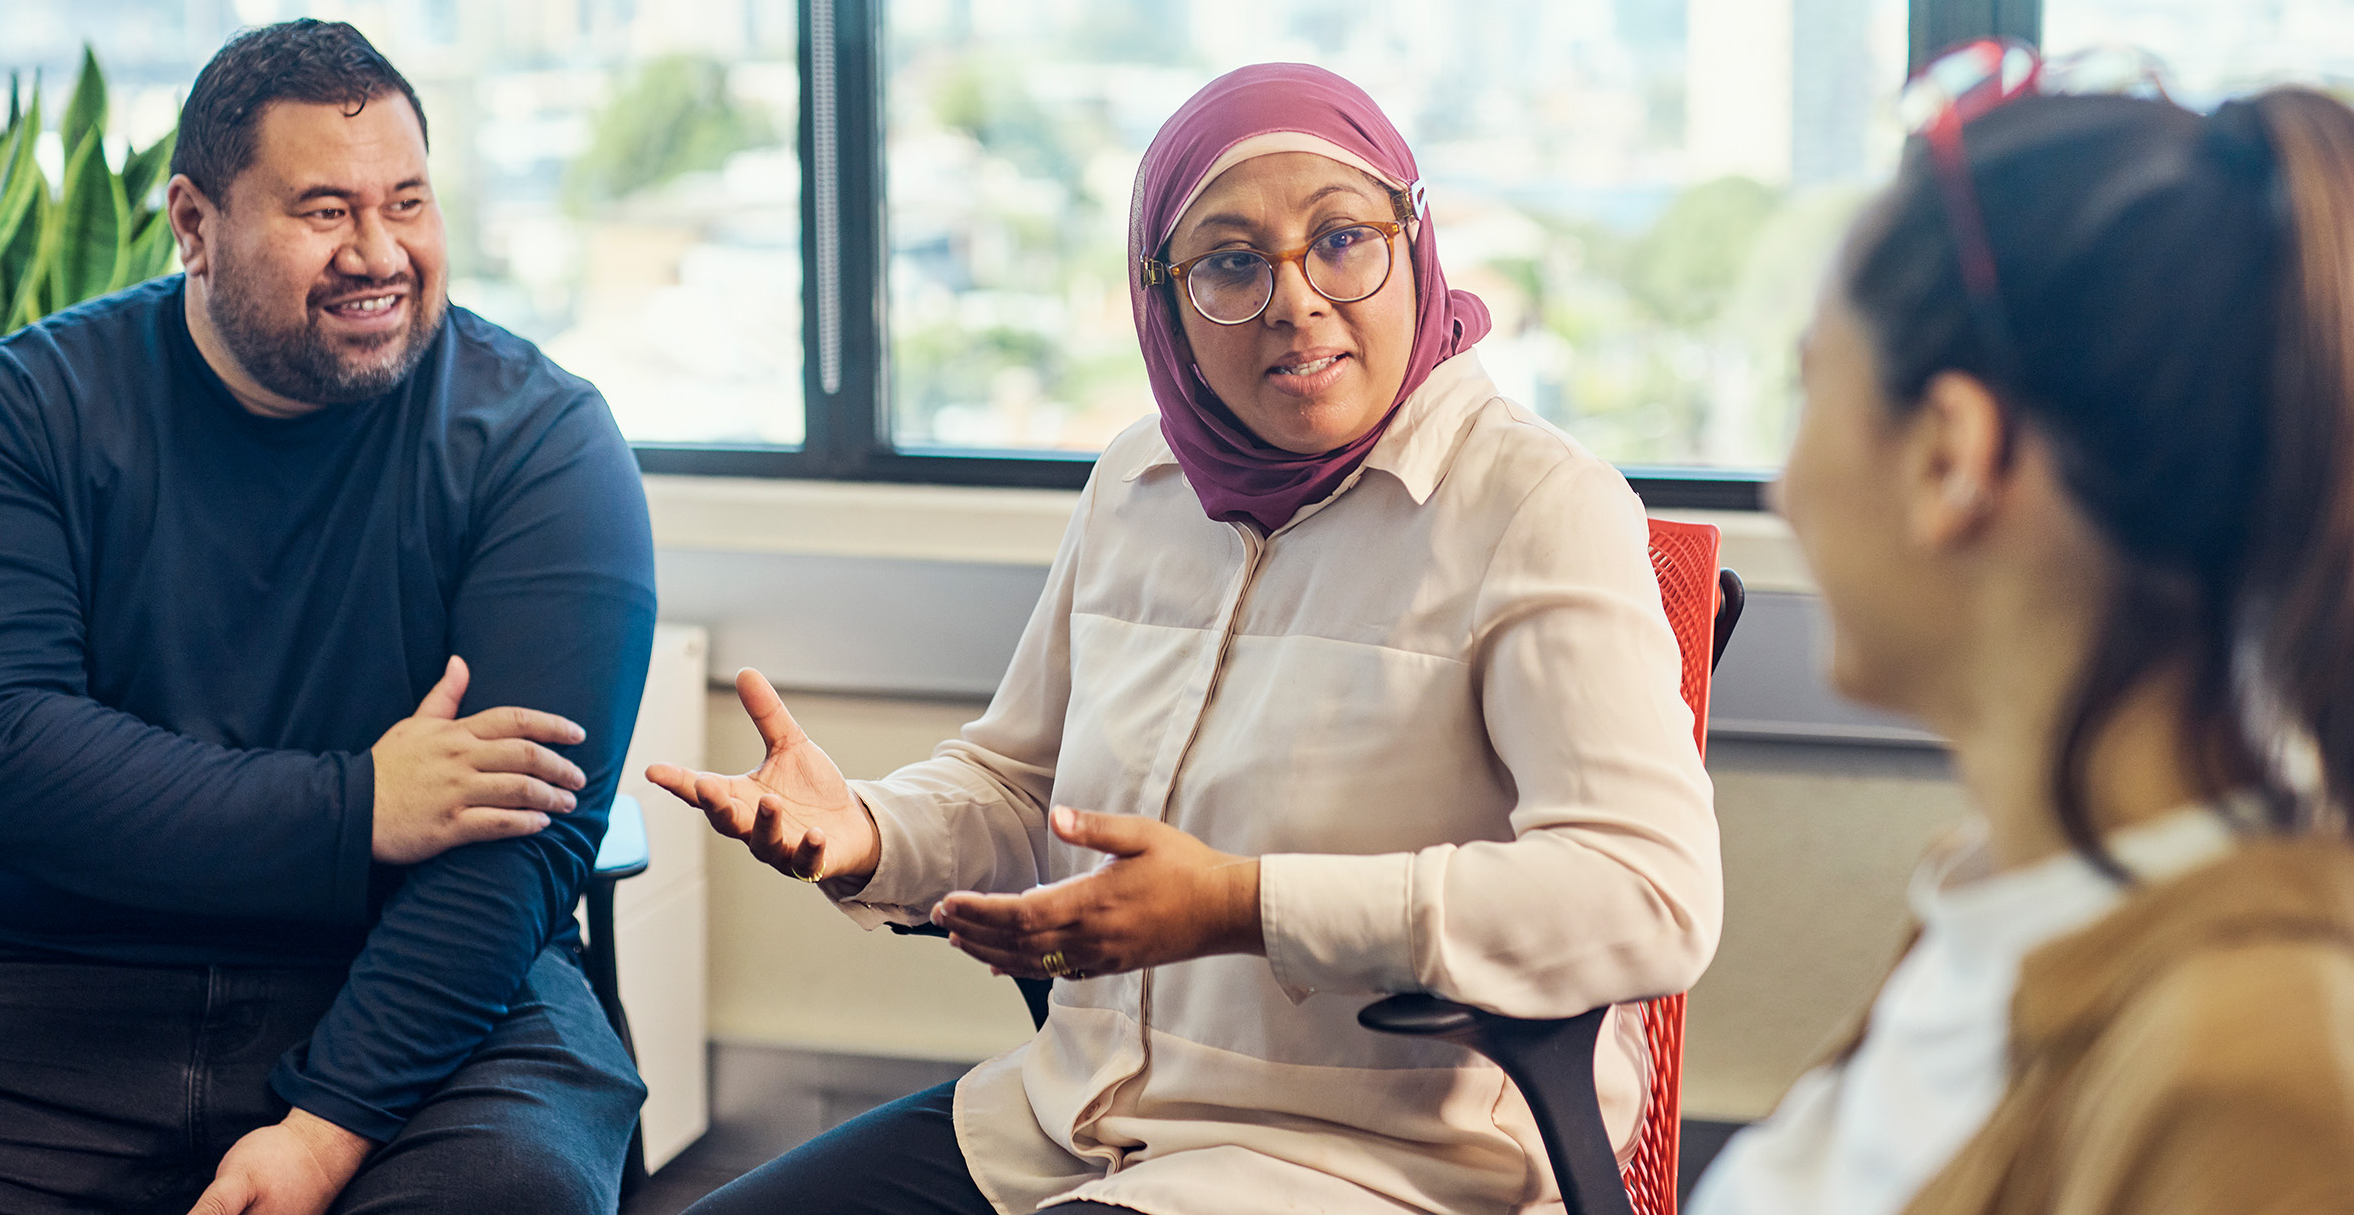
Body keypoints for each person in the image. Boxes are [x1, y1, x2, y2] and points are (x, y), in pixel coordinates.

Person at [651, 63, 1723, 1215]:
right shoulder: (1139, 484)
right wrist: (866, 828)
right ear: (1161, 296)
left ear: (1413, 242)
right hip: (1067, 1121)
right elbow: (1024, 793)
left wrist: (1244, 904)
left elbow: (1645, 896)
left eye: (1343, 239)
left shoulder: (1534, 504)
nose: (1296, 300)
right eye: (1229, 262)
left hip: (1364, 1163)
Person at [0, 20, 659, 1215]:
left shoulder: (542, 441)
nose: (379, 253)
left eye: (406, 202)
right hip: (44, 998)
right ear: (193, 224)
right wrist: (359, 808)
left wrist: (325, 1129)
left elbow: (514, 840)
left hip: (424, 991)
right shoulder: (11, 415)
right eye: (323, 211)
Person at [1689, 49, 2354, 1215]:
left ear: (1953, 455)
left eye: (1810, 394)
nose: (1786, 488)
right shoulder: (1993, 896)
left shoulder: (2254, 1069)